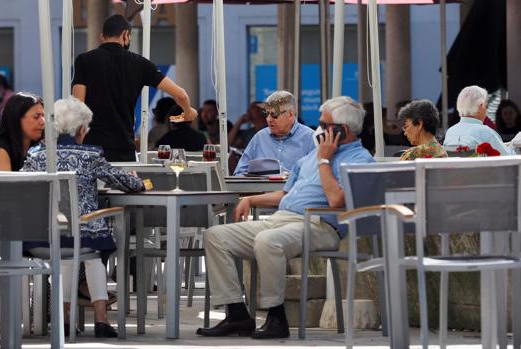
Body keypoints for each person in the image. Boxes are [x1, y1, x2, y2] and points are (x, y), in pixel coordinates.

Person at [196, 96, 374, 339]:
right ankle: (237, 313)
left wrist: (324, 160)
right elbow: (285, 193)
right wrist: (251, 199)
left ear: (342, 130)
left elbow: (337, 201)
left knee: (269, 241)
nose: (318, 128)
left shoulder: (359, 159)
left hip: (319, 225)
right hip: (282, 219)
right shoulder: (312, 156)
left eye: (324, 124)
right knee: (216, 235)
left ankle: (276, 316)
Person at [22, 96, 145, 338]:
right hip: (85, 232)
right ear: (80, 129)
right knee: (92, 255)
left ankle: (65, 317)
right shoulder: (90, 155)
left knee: (68, 254)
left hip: (43, 235)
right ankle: (101, 319)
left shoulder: (36, 155)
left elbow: (21, 185)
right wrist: (136, 178)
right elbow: (127, 183)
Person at [72, 14, 197, 162]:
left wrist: (79, 135)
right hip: (123, 148)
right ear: (125, 35)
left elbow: (77, 105)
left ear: (101, 37)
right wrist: (189, 111)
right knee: (127, 184)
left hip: (92, 148)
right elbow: (181, 95)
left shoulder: (84, 60)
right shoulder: (141, 64)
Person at [232, 91, 315, 176]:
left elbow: (317, 177)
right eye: (267, 114)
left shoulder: (310, 138)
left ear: (290, 114)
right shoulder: (259, 137)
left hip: (294, 189)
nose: (268, 119)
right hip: (260, 189)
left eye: (274, 115)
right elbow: (239, 173)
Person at [0, 92, 45, 173]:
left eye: (43, 116)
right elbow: (4, 185)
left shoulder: (38, 146)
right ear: (16, 119)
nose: (42, 121)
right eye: (36, 117)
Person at [444, 85, 511, 155]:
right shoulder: (485, 132)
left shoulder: (450, 132)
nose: (486, 110)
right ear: (481, 106)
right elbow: (509, 157)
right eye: (486, 105)